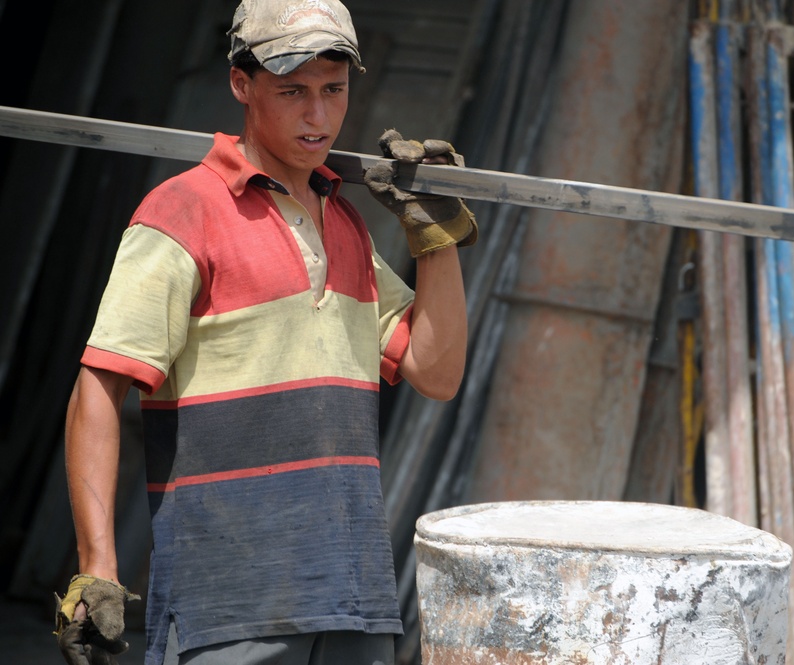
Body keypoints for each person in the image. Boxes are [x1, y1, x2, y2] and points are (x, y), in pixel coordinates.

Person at [54, 1, 477, 663]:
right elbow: (99, 389)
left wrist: (435, 237)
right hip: (226, 606)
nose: (318, 116)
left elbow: (437, 371)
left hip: (354, 601)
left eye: (332, 90)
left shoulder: (346, 228)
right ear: (241, 84)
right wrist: (97, 568)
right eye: (292, 92)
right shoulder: (182, 211)